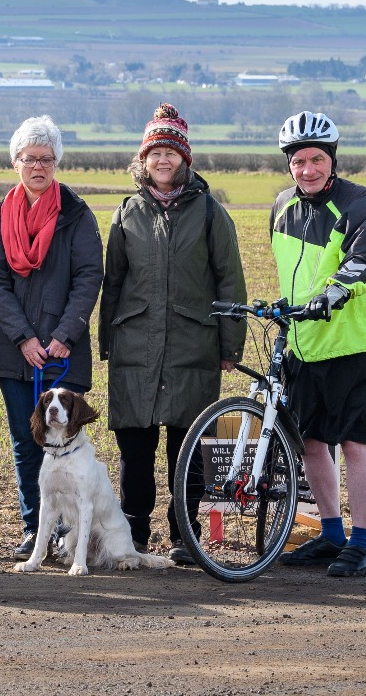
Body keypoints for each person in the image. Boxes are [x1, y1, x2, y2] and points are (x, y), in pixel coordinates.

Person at [99, 103, 246, 559]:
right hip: (136, 345)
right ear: (142, 160)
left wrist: (230, 343)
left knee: (189, 445)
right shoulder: (127, 213)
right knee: (135, 448)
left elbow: (230, 280)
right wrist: (107, 339)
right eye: (154, 153)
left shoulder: (209, 213)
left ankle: (186, 534)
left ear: (186, 159)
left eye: (171, 152)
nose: (162, 161)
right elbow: (113, 281)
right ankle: (134, 534)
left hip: (192, 344)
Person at [0, 115, 104, 561]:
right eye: (29, 158)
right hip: (18, 352)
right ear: (15, 162)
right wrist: (24, 339)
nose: (38, 166)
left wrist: (65, 335)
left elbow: (89, 277)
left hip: (65, 352)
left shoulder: (77, 215)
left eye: (46, 158)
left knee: (69, 443)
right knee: (26, 439)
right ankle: (37, 530)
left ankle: (74, 536)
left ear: (56, 162)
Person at [268, 111, 366, 579]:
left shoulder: (357, 202)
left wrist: (331, 296)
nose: (308, 170)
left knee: (353, 443)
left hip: (351, 343)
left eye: (317, 159)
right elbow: (291, 274)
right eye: (299, 161)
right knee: (312, 444)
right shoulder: (280, 206)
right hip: (304, 344)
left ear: (332, 160)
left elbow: (364, 259)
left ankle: (361, 543)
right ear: (289, 165)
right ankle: (332, 533)